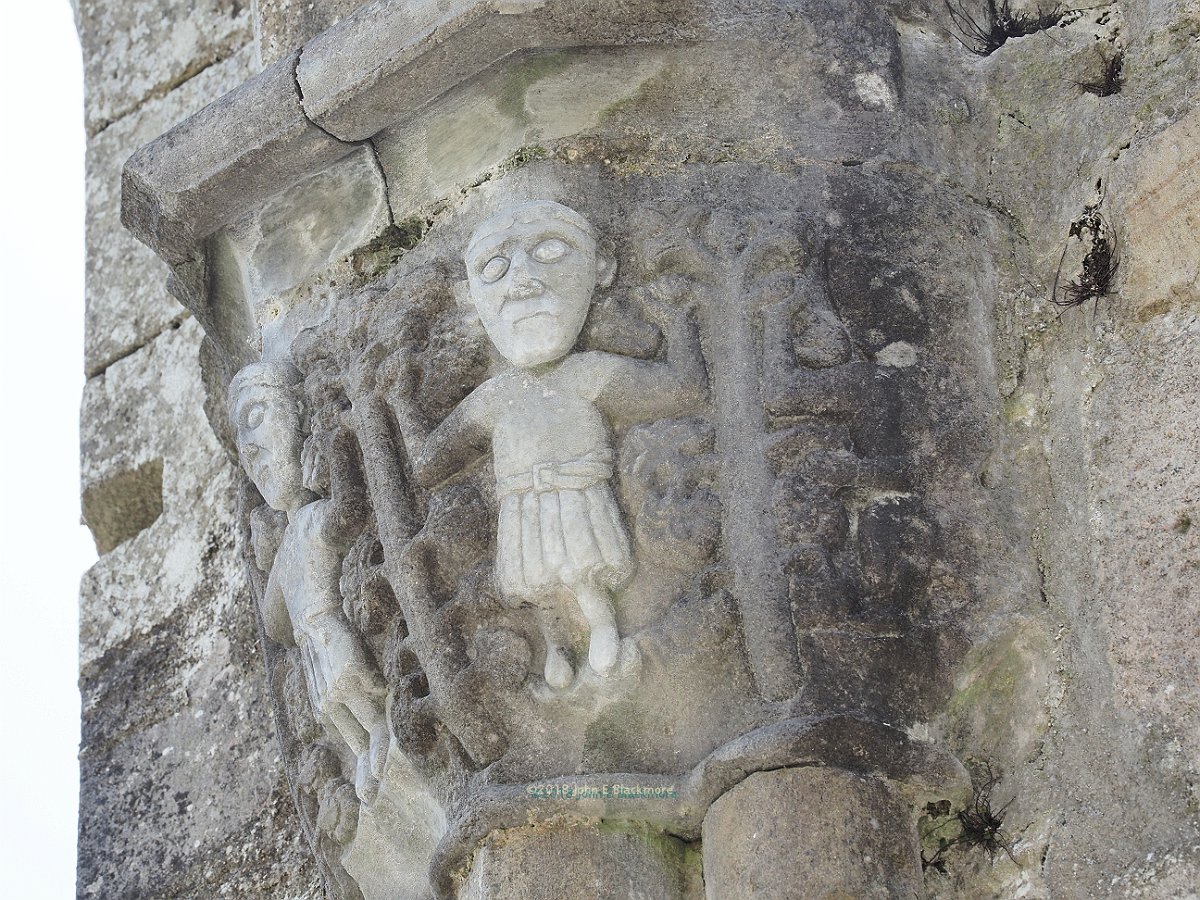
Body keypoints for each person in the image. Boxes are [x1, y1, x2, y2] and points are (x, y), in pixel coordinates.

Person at [388, 200, 706, 690]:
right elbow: (428, 463)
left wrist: (679, 317)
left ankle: (603, 628)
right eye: (494, 267)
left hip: (574, 493)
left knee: (581, 570)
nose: (522, 279)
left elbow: (683, 392)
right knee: (536, 583)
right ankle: (557, 648)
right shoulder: (494, 397)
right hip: (522, 502)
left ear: (603, 267)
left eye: (550, 250)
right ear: (468, 297)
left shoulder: (586, 374)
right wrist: (401, 400)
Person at [229, 361, 389, 800]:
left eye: (256, 416)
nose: (249, 450)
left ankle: (380, 730)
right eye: (240, 443)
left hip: (330, 624)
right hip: (309, 638)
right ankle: (361, 750)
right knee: (331, 701)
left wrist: (343, 444)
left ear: (301, 414)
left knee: (352, 678)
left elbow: (350, 514)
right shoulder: (284, 552)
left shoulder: (313, 518)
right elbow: (272, 619)